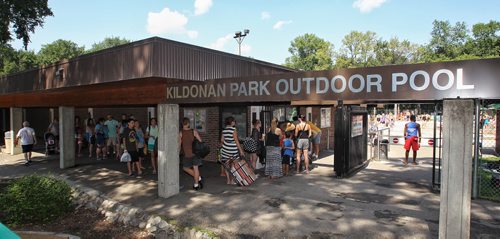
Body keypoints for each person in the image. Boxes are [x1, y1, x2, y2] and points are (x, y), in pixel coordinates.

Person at [179, 117, 204, 190]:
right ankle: (197, 182)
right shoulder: (194, 131)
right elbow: (200, 141)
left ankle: (197, 180)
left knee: (185, 168)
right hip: (195, 153)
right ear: (188, 123)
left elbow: (179, 145)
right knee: (196, 168)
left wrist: (177, 153)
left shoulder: (181, 133)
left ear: (182, 124)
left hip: (187, 154)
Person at [220, 116, 245, 185]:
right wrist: (241, 150)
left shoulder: (224, 130)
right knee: (234, 165)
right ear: (231, 122)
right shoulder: (233, 129)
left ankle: (228, 180)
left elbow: (222, 140)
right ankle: (233, 180)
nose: (235, 122)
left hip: (225, 150)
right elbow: (236, 141)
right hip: (233, 150)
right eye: (234, 121)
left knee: (226, 165)